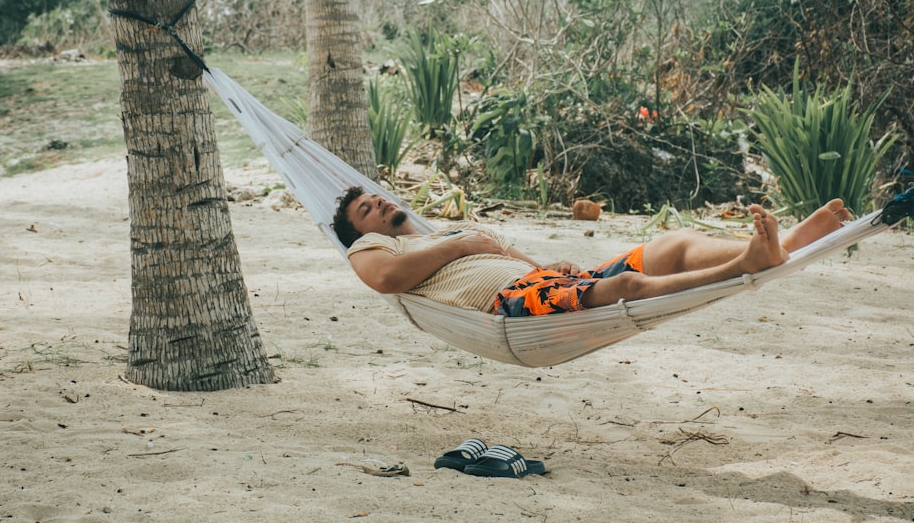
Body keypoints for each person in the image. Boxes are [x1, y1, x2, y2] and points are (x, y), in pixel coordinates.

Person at [331, 186, 851, 316]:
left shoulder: (433, 235)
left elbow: (522, 268)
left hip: (542, 283)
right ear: (360, 232)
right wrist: (465, 243)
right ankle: (747, 264)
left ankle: (778, 246)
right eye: (366, 210)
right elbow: (385, 280)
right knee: (626, 289)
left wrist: (548, 267)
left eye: (377, 199)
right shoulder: (374, 248)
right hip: (510, 304)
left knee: (668, 245)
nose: (377, 206)